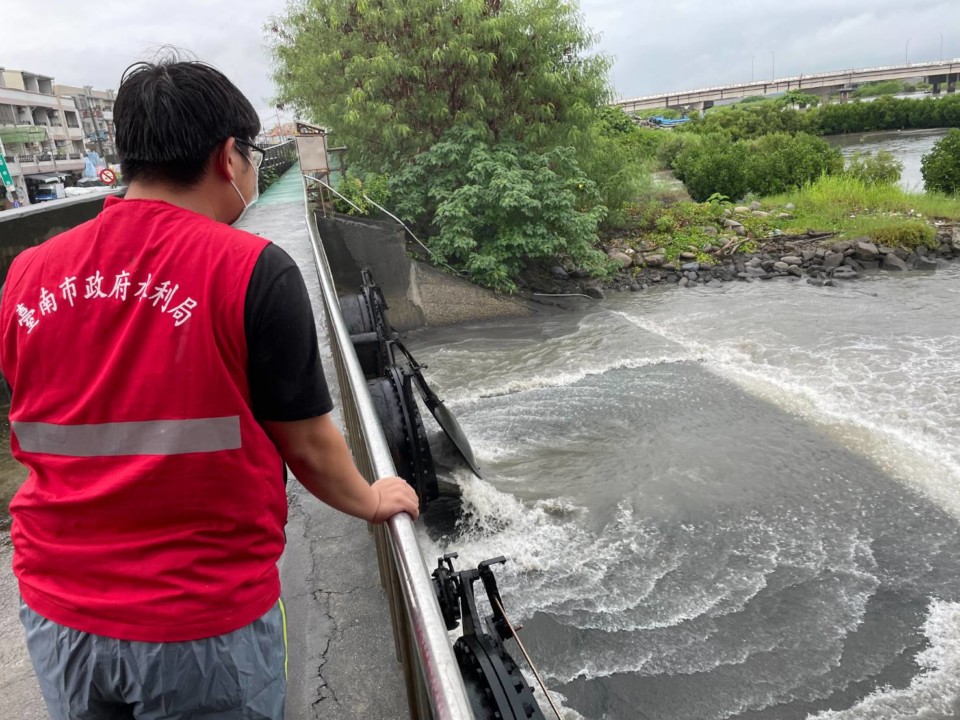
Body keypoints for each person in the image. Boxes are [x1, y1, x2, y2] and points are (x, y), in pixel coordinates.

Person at [0, 58, 419, 719]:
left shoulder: (27, 274)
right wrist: (370, 499)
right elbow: (308, 444)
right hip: (197, 622)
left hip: (57, 611)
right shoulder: (251, 270)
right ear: (229, 157)